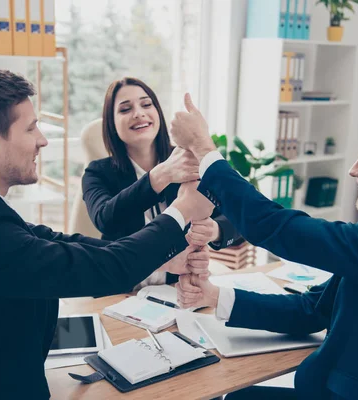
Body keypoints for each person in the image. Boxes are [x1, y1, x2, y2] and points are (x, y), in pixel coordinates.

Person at [0, 62, 213, 400]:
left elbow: (49, 240)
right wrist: (181, 211)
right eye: (31, 128)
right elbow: (101, 269)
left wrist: (163, 261)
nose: (43, 141)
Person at [172, 95, 358, 400]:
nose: (353, 169)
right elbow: (313, 310)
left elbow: (281, 228)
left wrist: (204, 149)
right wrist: (214, 296)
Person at [81, 77, 241, 288]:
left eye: (146, 104)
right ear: (112, 124)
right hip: (119, 291)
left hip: (177, 289)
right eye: (125, 109)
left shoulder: (188, 161)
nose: (138, 113)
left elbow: (240, 216)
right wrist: (161, 175)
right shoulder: (97, 172)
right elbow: (106, 219)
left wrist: (215, 230)